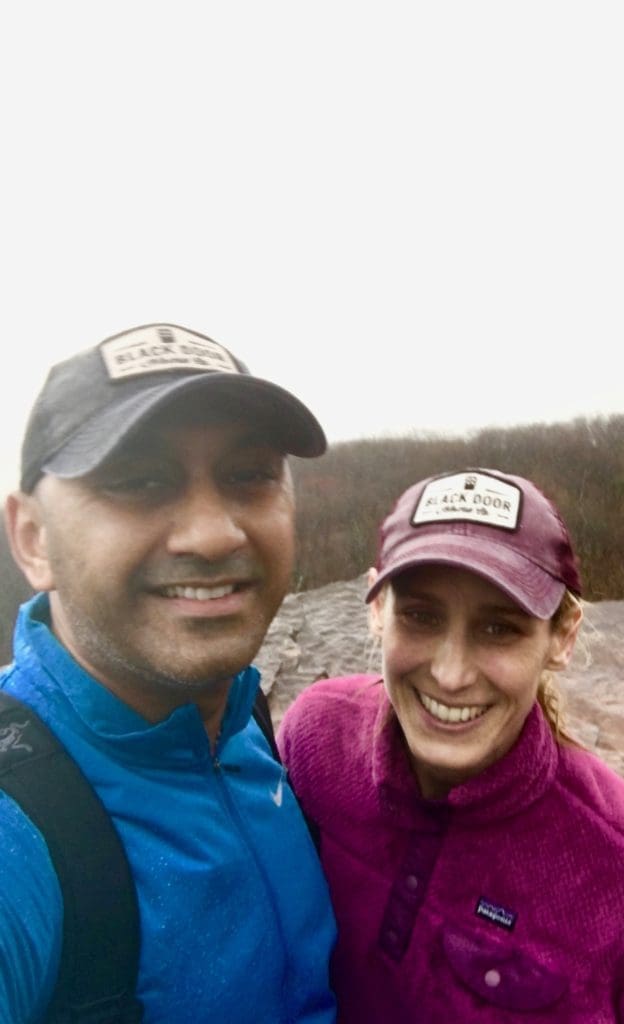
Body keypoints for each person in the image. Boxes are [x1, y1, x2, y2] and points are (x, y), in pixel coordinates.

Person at [278, 468, 624, 1023]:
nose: (451, 673)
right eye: (420, 615)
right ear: (376, 611)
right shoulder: (316, 738)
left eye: (499, 629)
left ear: (562, 637)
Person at [0, 324, 337, 1023]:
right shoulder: (19, 830)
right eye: (137, 481)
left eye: (250, 475)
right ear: (33, 538)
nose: (213, 534)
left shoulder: (244, 725)